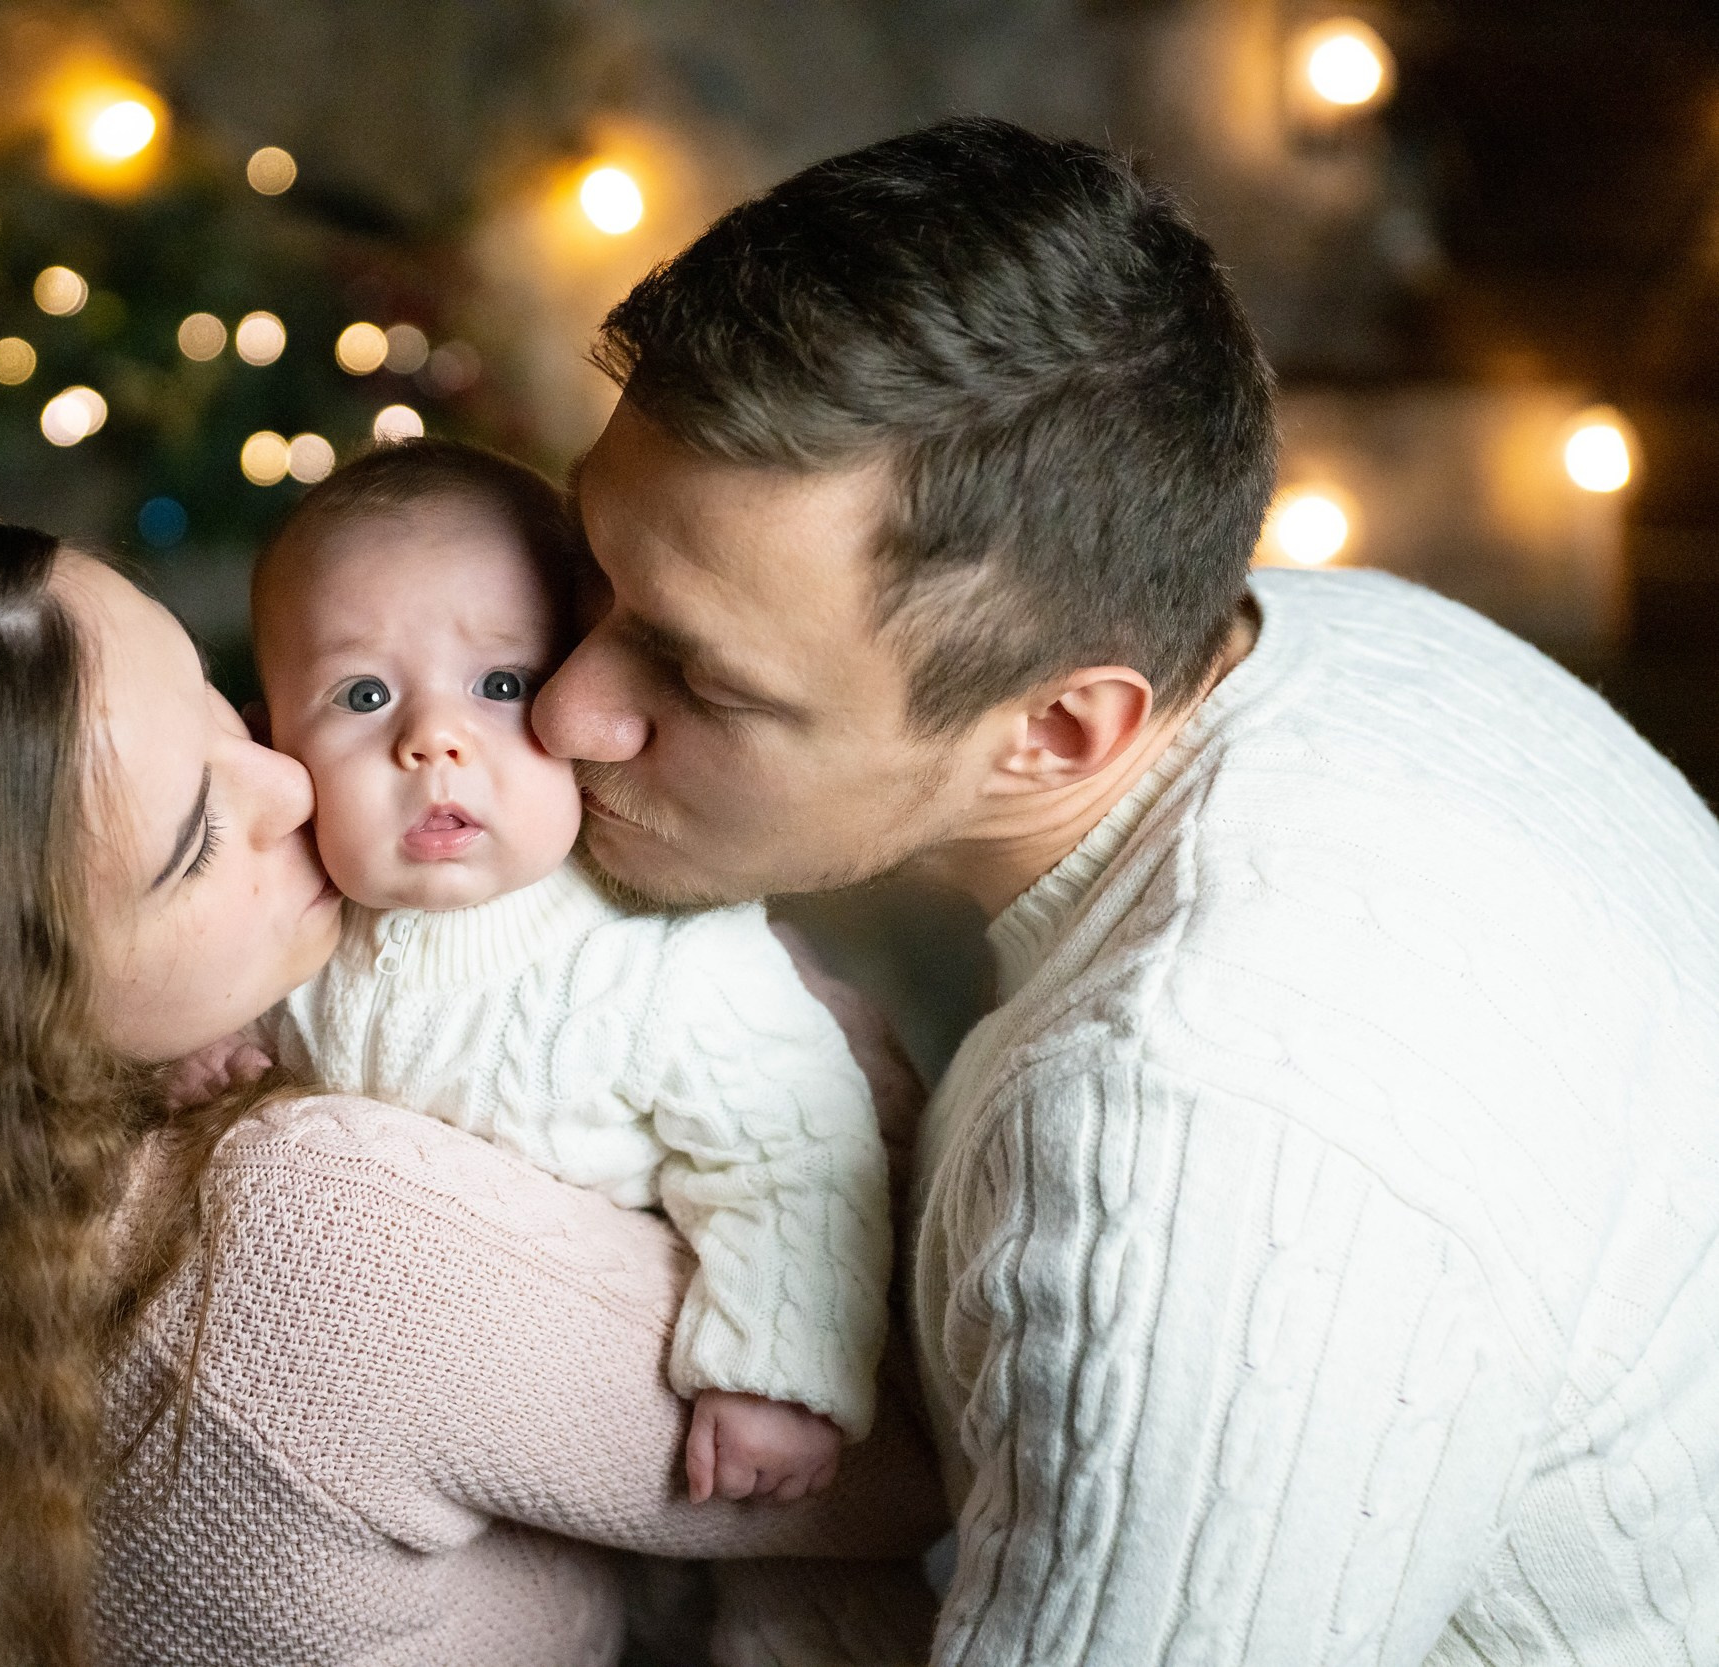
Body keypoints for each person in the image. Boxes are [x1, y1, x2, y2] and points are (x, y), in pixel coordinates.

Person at [533, 115, 1719, 1662]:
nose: (565, 706)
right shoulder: (1337, 632)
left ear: (1058, 729)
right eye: (592, 562)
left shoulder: (1194, 1149)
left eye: (696, 674)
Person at [0, 512, 945, 1667]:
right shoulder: (305, 1227)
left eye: (230, 711)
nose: (296, 784)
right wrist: (779, 1000)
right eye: (191, 843)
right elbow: (914, 1461)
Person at [246, 438, 893, 1506]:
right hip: (396, 1410)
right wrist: (214, 1050)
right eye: (361, 694)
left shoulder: (665, 951)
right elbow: (207, 1023)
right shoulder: (282, 918)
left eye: (501, 683)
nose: (433, 740)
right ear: (273, 739)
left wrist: (773, 1365)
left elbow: (797, 1153)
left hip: (644, 1394)